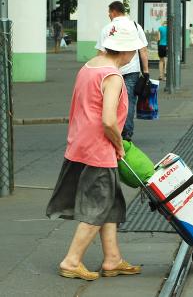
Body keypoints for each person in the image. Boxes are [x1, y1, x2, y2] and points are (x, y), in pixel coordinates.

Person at [46, 17, 143, 281]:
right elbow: (109, 120)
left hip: (79, 145)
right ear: (125, 50)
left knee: (109, 202)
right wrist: (117, 144)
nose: (132, 56)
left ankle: (112, 259)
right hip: (99, 151)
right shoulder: (112, 76)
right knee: (97, 207)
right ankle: (71, 260)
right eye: (132, 50)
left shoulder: (89, 67)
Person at [96, 1, 149, 141]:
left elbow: (101, 53)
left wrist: (97, 71)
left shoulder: (107, 28)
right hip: (131, 70)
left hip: (110, 71)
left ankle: (114, 130)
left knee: (110, 100)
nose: (108, 15)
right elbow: (143, 49)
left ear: (114, 12)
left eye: (109, 12)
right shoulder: (136, 26)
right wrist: (146, 71)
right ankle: (127, 133)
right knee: (129, 100)